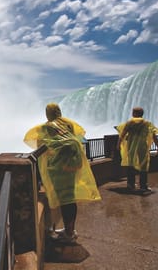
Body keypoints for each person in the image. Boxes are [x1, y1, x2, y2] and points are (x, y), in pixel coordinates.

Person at [24, 103, 101, 243]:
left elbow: (42, 144)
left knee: (65, 201)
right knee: (70, 199)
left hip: (59, 168)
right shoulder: (68, 124)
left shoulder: (47, 127)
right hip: (72, 165)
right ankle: (70, 229)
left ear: (48, 113)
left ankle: (69, 234)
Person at [116, 107, 158, 193]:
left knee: (131, 165)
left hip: (131, 148)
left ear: (134, 114)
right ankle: (143, 186)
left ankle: (130, 185)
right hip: (142, 148)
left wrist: (118, 144)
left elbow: (122, 135)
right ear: (142, 114)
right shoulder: (147, 123)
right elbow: (154, 136)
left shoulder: (129, 123)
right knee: (143, 166)